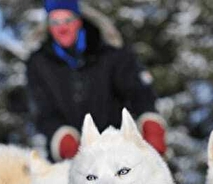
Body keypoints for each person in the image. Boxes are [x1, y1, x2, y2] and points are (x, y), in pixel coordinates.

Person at [26, 0, 167, 162]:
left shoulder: (111, 53)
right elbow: (43, 110)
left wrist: (150, 121)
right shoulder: (38, 63)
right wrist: (62, 137)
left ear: (78, 20)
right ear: (48, 26)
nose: (62, 28)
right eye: (55, 22)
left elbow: (138, 91)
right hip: (70, 159)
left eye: (67, 20)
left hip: (118, 150)